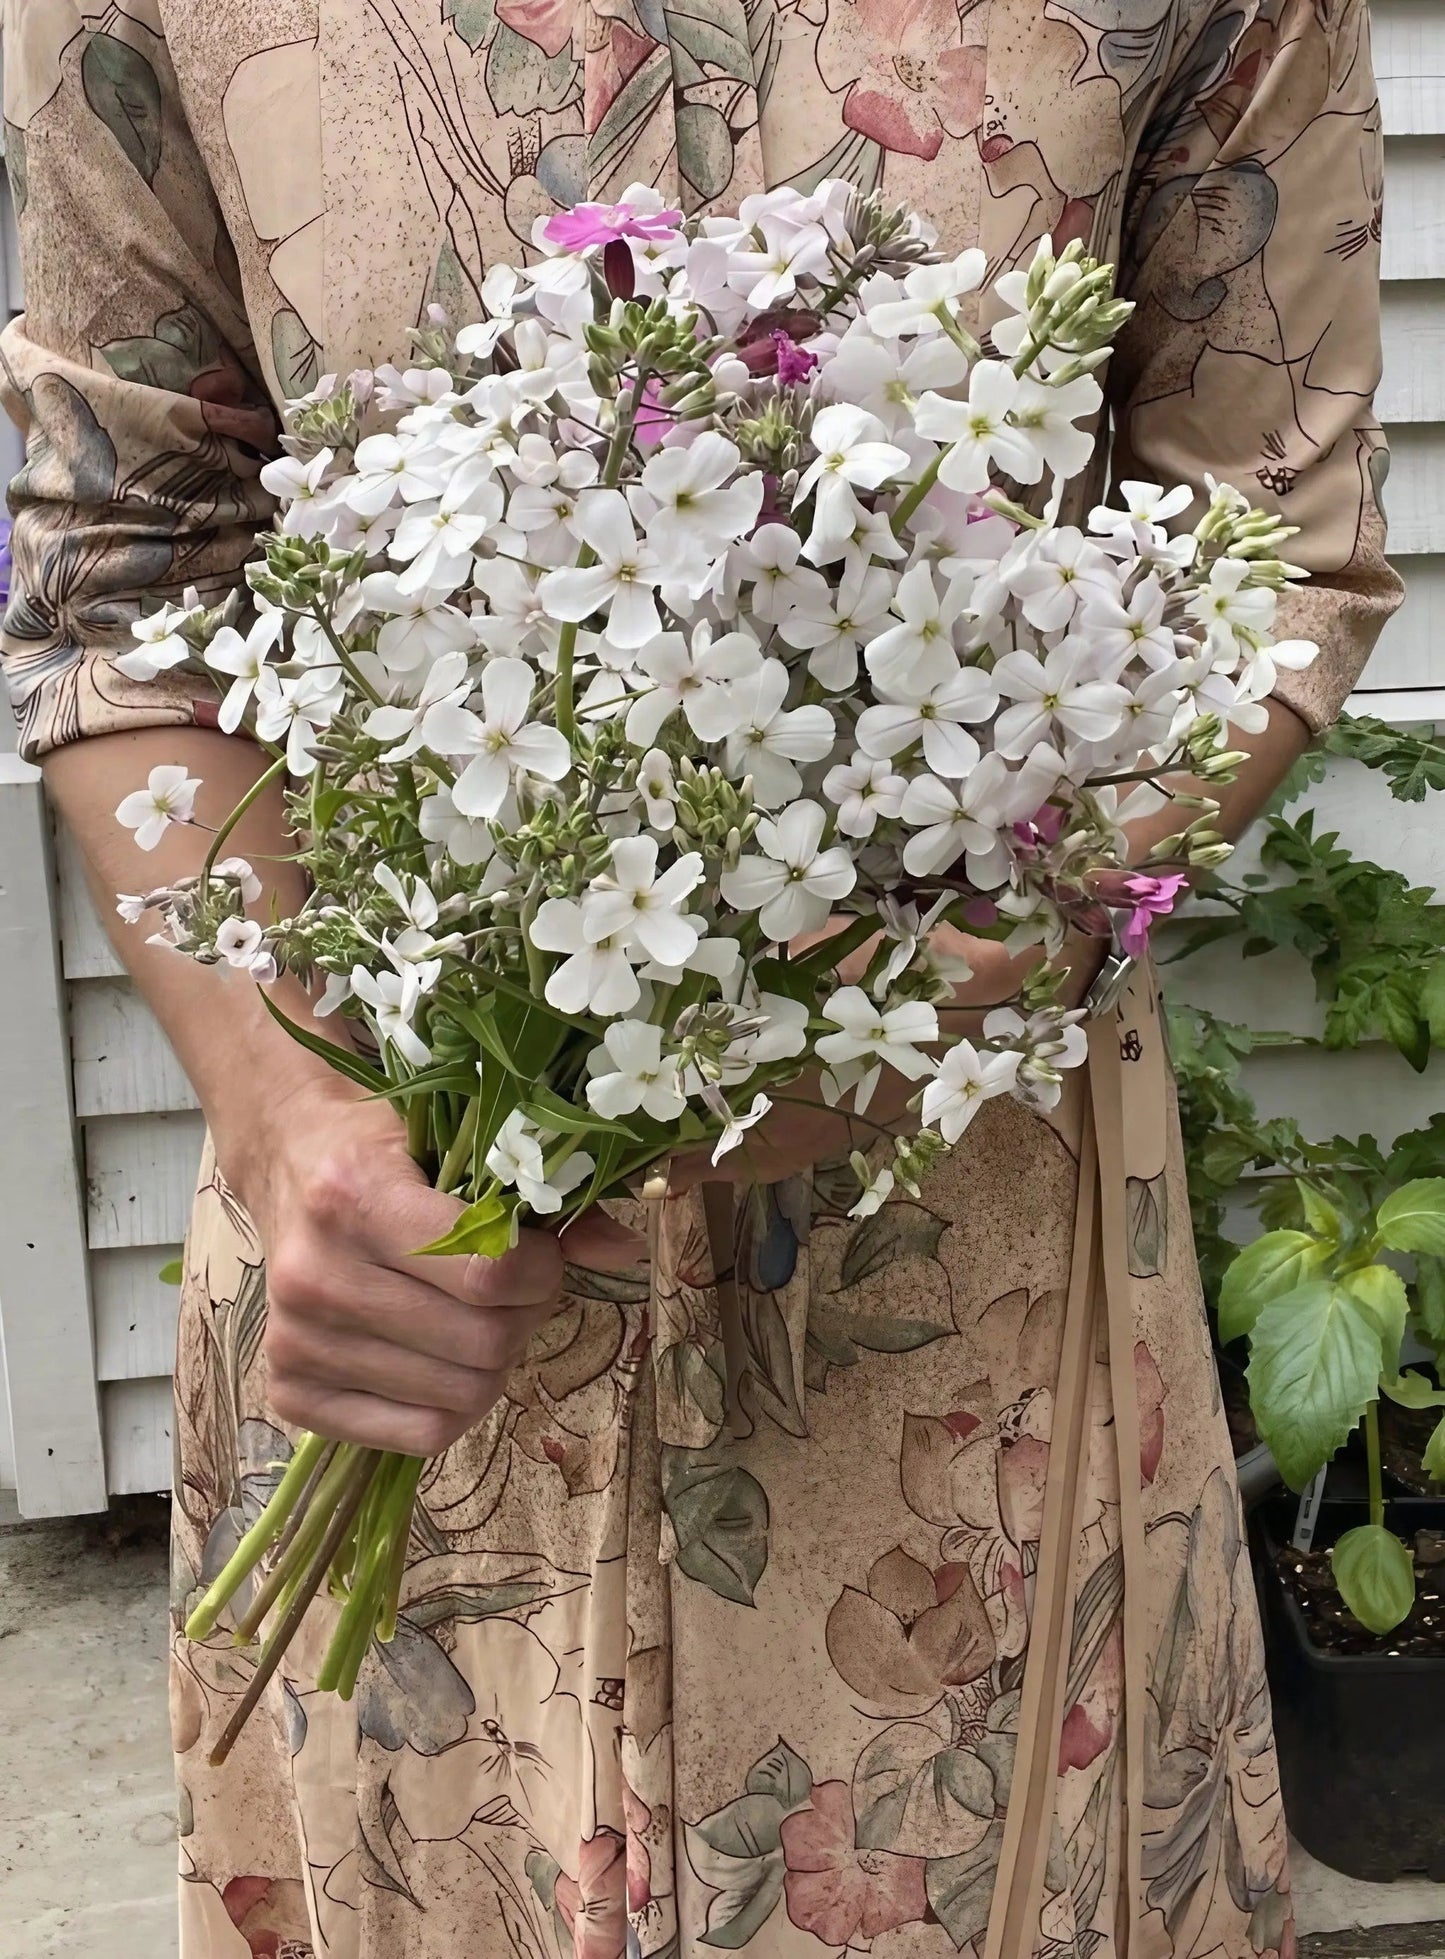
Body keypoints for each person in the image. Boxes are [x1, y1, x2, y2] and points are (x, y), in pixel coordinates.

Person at [0, 3, 1400, 1954]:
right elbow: (121, 578)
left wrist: (978, 945)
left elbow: (1270, 556)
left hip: (956, 1257)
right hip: (401, 1252)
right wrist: (288, 1104)